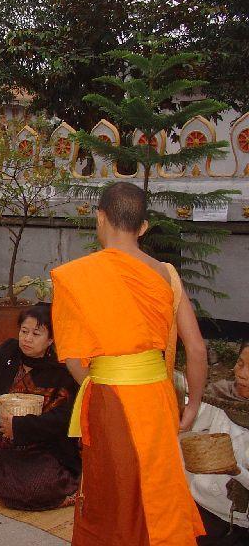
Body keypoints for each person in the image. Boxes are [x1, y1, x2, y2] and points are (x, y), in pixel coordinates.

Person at [51, 182, 207, 545]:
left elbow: (73, 358)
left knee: (114, 493)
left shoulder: (76, 276)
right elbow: (197, 349)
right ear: (143, 227)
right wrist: (192, 405)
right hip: (157, 398)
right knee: (156, 491)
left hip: (110, 400)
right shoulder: (166, 273)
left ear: (100, 217)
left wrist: (102, 377)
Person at [0, 304, 80, 511]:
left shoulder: (62, 372)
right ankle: (16, 491)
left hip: (44, 454)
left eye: (36, 334)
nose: (27, 339)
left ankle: (54, 489)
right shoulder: (10, 352)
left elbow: (62, 419)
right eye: (24, 331)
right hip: (4, 450)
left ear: (50, 340)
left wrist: (19, 427)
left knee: (34, 487)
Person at [186, 340, 249, 545]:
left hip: (241, 524)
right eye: (240, 363)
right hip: (203, 508)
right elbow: (189, 424)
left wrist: (236, 471)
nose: (242, 374)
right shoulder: (222, 397)